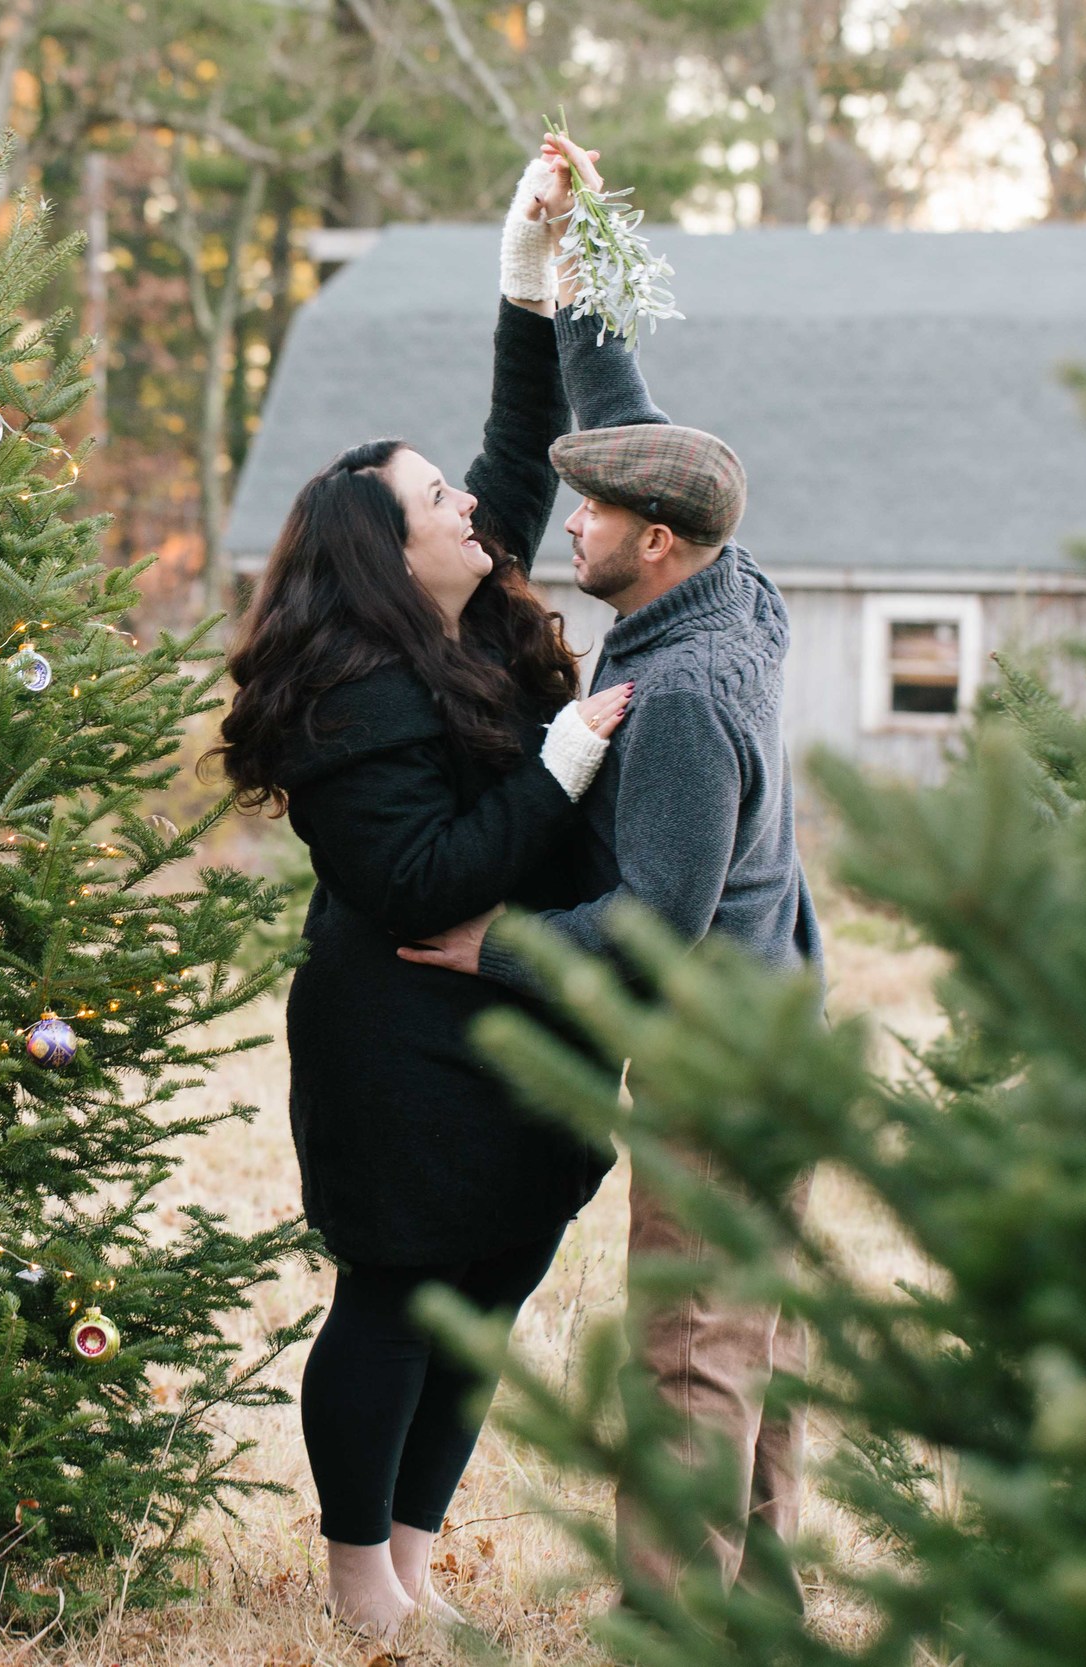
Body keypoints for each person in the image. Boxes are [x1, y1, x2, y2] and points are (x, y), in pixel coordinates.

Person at [397, 134, 826, 1609]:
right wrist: (565, 266)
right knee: (750, 1334)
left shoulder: (693, 693)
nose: (561, 526)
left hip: (722, 1048)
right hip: (778, 1028)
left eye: (589, 517)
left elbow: (652, 932)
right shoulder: (725, 580)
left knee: (693, 1345)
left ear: (652, 543)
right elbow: (620, 422)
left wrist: (489, 947)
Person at [212, 140, 632, 1638]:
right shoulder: (347, 698)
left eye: (458, 494)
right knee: (400, 1294)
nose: (473, 505)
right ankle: (354, 1583)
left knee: (492, 1289)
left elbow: (520, 437)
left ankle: (415, 1549)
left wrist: (527, 275)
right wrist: (569, 760)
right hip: (397, 1041)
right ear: (389, 557)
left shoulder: (473, 609)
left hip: (516, 1024)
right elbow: (415, 881)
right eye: (438, 499)